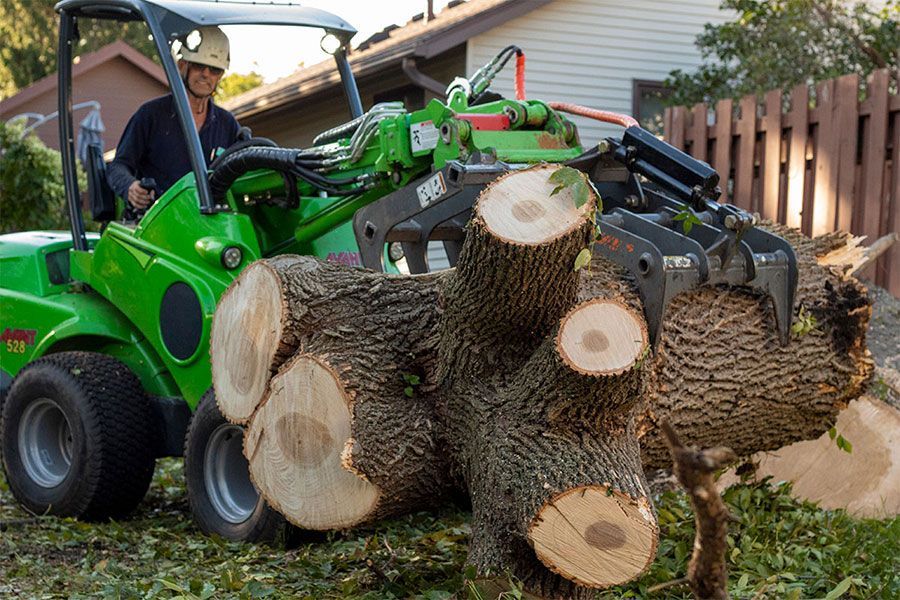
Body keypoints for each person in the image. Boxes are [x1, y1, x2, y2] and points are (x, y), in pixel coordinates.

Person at [107, 26, 240, 212]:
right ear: (182, 65)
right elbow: (118, 166)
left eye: (215, 70)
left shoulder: (228, 124)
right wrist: (130, 187)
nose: (206, 74)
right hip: (157, 221)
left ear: (221, 75)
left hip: (208, 221)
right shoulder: (150, 115)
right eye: (199, 66)